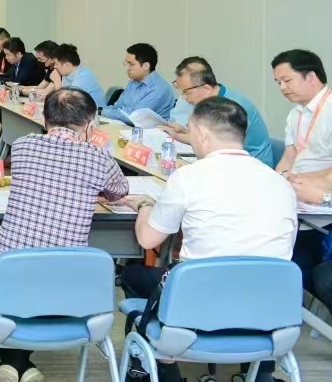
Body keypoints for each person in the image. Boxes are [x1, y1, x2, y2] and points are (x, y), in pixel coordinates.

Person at [0, 88, 129, 382]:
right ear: (89, 124)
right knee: (32, 295)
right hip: (67, 288)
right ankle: (21, 365)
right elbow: (119, 191)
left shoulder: (23, 146)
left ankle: (13, 361)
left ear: (45, 121)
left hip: (10, 276)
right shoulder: (99, 159)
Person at [120, 97, 297, 382]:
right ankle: (260, 372)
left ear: (201, 134)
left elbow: (148, 239)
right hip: (268, 315)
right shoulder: (280, 183)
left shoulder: (188, 177)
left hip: (197, 307)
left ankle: (165, 360)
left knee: (134, 275)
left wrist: (144, 206)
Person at [268, 50, 332, 321]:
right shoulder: (296, 114)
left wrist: (306, 181)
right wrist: (280, 176)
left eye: (287, 80)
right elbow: (290, 155)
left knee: (296, 261)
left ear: (311, 77)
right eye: (278, 83)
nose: (282, 88)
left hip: (322, 201)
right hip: (301, 198)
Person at [161, 63, 275, 166]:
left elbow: (213, 145)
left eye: (186, 92)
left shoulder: (231, 108)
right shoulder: (215, 99)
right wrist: (181, 132)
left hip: (252, 167)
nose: (184, 98)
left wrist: (178, 135)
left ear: (206, 89)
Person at [101, 43, 175, 125]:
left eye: (131, 64)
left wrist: (101, 111)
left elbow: (134, 118)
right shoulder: (133, 82)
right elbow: (117, 108)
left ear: (146, 66)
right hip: (127, 127)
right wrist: (97, 110)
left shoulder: (158, 88)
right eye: (126, 64)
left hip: (149, 131)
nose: (127, 68)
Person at [52, 44, 107, 108]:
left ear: (67, 65)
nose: (55, 66)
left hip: (96, 112)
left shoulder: (82, 78)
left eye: (56, 64)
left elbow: (65, 104)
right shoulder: (68, 74)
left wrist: (57, 81)